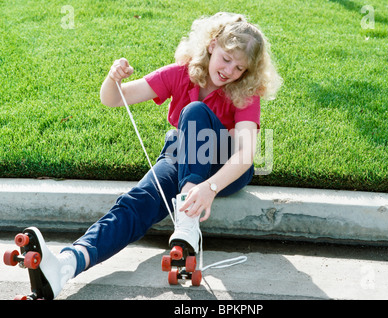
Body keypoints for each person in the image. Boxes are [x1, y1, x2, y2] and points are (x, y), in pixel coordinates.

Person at [23, 12, 282, 299]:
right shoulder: (180, 73)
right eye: (226, 58)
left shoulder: (246, 92)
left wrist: (209, 188)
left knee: (194, 112)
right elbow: (113, 99)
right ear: (211, 45)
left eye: (239, 68)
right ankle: (68, 264)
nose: (229, 70)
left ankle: (186, 218)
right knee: (136, 202)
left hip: (226, 165)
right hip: (181, 157)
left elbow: (245, 155)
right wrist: (113, 78)